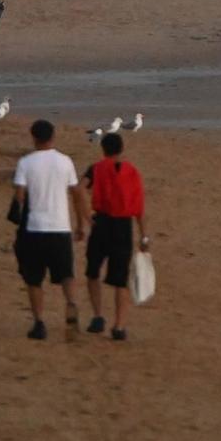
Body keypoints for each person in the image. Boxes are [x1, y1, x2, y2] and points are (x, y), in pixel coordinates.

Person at [11, 119, 86, 341]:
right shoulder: (65, 162)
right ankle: (71, 303)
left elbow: (19, 196)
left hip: (34, 227)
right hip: (60, 226)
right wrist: (81, 225)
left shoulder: (26, 162)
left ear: (34, 138)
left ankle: (39, 322)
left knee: (34, 278)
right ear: (53, 137)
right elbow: (76, 194)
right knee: (66, 274)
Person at [82, 132, 149, 342]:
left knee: (93, 271)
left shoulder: (96, 168)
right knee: (120, 280)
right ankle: (119, 326)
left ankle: (98, 315)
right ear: (121, 149)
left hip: (101, 223)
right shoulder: (132, 172)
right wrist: (144, 235)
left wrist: (85, 217)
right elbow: (139, 207)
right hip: (123, 226)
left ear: (103, 149)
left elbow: (78, 188)